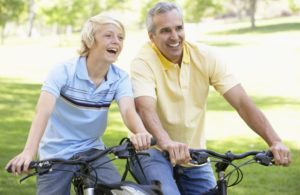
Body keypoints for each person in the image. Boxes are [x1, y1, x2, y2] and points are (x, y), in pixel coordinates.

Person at [130, 2, 292, 195]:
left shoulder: (205, 56)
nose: (174, 36)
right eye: (165, 31)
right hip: (153, 152)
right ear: (151, 37)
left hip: (194, 153)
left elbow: (241, 102)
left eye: (179, 28)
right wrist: (166, 143)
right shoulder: (143, 61)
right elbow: (145, 109)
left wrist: (274, 141)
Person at [5, 14, 153, 195]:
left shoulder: (119, 78)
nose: (116, 41)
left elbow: (128, 110)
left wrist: (141, 132)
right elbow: (43, 111)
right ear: (90, 41)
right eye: (108, 35)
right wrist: (29, 152)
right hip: (56, 152)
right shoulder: (64, 71)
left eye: (120, 37)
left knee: (115, 191)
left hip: (93, 151)